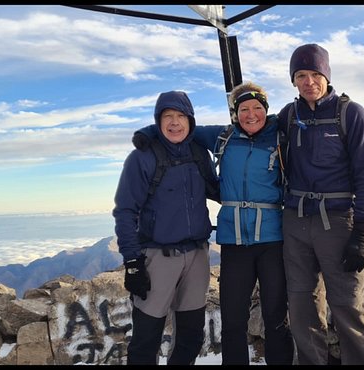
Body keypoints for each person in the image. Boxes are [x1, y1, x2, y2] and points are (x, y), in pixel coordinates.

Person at [133, 82, 295, 365]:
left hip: (272, 239)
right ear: (235, 113)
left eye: (257, 107)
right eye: (244, 109)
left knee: (276, 317)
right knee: (233, 320)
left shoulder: (280, 136)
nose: (251, 114)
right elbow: (182, 127)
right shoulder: (223, 136)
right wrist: (146, 134)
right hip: (234, 241)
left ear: (266, 109)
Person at [277, 43, 364, 365]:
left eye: (315, 74)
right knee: (301, 305)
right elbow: (247, 128)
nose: (309, 82)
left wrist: (361, 232)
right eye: (301, 75)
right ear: (293, 80)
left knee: (348, 305)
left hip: (337, 222)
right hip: (295, 220)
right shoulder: (288, 116)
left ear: (327, 76)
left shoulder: (350, 114)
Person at [112, 90, 216, 365]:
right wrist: (132, 262)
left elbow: (217, 190)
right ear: (158, 121)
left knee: (191, 336)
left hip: (197, 255)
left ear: (191, 121)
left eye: (181, 116)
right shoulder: (142, 157)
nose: (175, 122)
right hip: (158, 257)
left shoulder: (199, 154)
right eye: (167, 116)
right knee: (146, 338)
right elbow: (125, 211)